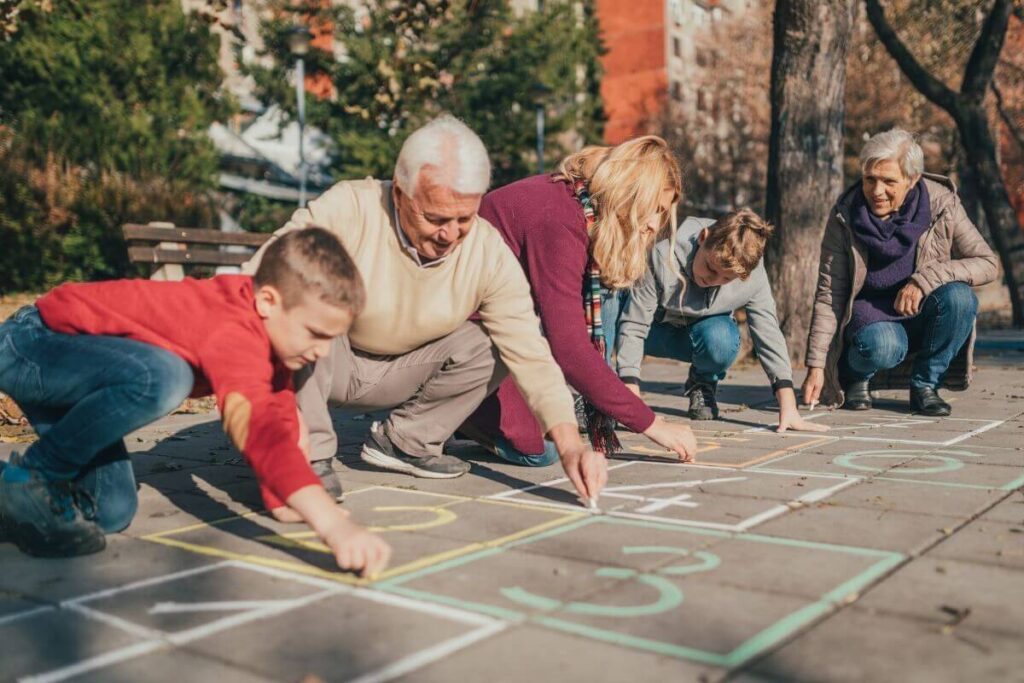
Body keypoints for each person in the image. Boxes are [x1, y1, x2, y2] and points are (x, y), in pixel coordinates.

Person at [243, 115, 607, 506]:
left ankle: (405, 442)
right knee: (298, 303)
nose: (449, 235)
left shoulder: (485, 249)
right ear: (399, 192)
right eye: (434, 218)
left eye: (464, 219)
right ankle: (307, 456)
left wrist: (570, 445)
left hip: (402, 371)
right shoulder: (350, 206)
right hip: (326, 359)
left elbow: (531, 353)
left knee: (493, 340)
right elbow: (259, 277)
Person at [0, 228, 392, 576]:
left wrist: (284, 500)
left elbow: (276, 410)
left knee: (111, 511)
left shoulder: (270, 339)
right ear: (268, 301)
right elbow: (256, 427)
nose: (323, 352)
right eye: (316, 333)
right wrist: (331, 525)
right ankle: (30, 477)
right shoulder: (231, 326)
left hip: (78, 373)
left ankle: (16, 499)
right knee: (166, 377)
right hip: (32, 346)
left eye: (332, 339)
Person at [460, 136, 699, 465]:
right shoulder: (560, 219)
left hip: (496, 324)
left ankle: (464, 407)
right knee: (538, 451)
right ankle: (455, 409)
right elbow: (569, 349)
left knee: (550, 423)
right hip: (462, 334)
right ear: (629, 192)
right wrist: (654, 425)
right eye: (654, 208)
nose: (655, 224)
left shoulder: (578, 201)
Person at [802, 128, 998, 416]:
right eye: (870, 179)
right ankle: (856, 375)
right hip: (869, 315)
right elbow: (830, 293)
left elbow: (987, 262)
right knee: (883, 345)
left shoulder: (942, 204)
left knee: (960, 298)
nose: (877, 191)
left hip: (921, 310)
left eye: (888, 181)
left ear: (912, 179)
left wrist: (924, 281)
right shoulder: (845, 214)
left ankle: (925, 386)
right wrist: (817, 367)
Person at [616, 208, 828, 434]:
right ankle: (600, 389)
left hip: (696, 335)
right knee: (612, 313)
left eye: (726, 278)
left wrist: (788, 404)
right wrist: (631, 397)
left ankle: (702, 383)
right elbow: (634, 326)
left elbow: (767, 329)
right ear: (703, 237)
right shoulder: (662, 256)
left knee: (722, 339)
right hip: (651, 331)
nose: (712, 280)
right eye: (710, 267)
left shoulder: (751, 273)